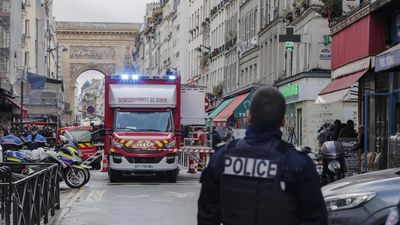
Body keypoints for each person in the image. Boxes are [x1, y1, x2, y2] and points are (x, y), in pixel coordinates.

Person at [198, 86, 328, 225]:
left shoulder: (222, 157)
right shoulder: (298, 163)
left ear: (249, 117)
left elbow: (207, 216)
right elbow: (316, 218)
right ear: (283, 121)